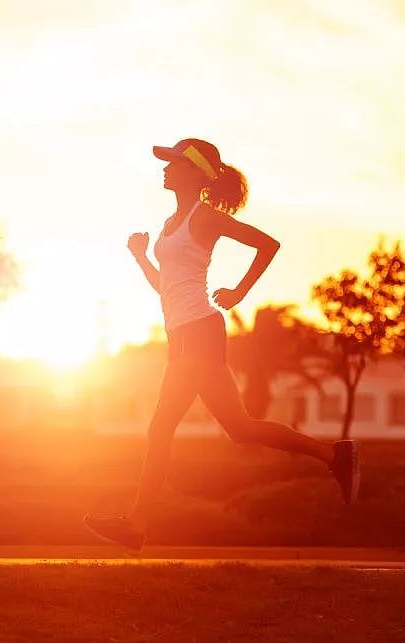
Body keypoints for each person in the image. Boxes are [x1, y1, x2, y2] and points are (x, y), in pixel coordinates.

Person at [83, 138, 360, 553]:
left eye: (173, 162)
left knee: (160, 428)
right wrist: (141, 257)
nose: (165, 168)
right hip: (186, 332)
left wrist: (239, 292)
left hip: (199, 331)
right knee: (241, 428)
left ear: (195, 172)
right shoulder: (171, 223)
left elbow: (268, 244)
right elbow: (166, 287)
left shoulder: (205, 217)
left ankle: (136, 524)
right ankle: (334, 456)